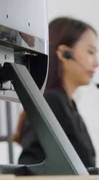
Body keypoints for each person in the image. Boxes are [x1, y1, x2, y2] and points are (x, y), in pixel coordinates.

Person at [13, 17, 98, 168]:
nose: (96, 62)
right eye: (90, 52)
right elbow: (30, 167)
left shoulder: (68, 105)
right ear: (64, 53)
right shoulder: (52, 102)